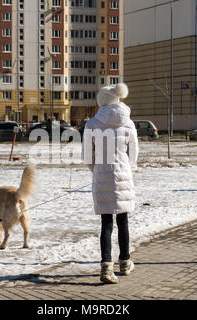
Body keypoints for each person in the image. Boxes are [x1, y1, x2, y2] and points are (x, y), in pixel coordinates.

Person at [82, 83, 139, 284]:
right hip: (123, 174)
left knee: (106, 224)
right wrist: (125, 167)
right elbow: (134, 154)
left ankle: (106, 268)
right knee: (123, 221)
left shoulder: (92, 125)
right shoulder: (128, 124)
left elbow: (88, 156)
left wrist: (97, 170)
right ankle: (125, 262)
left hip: (102, 176)